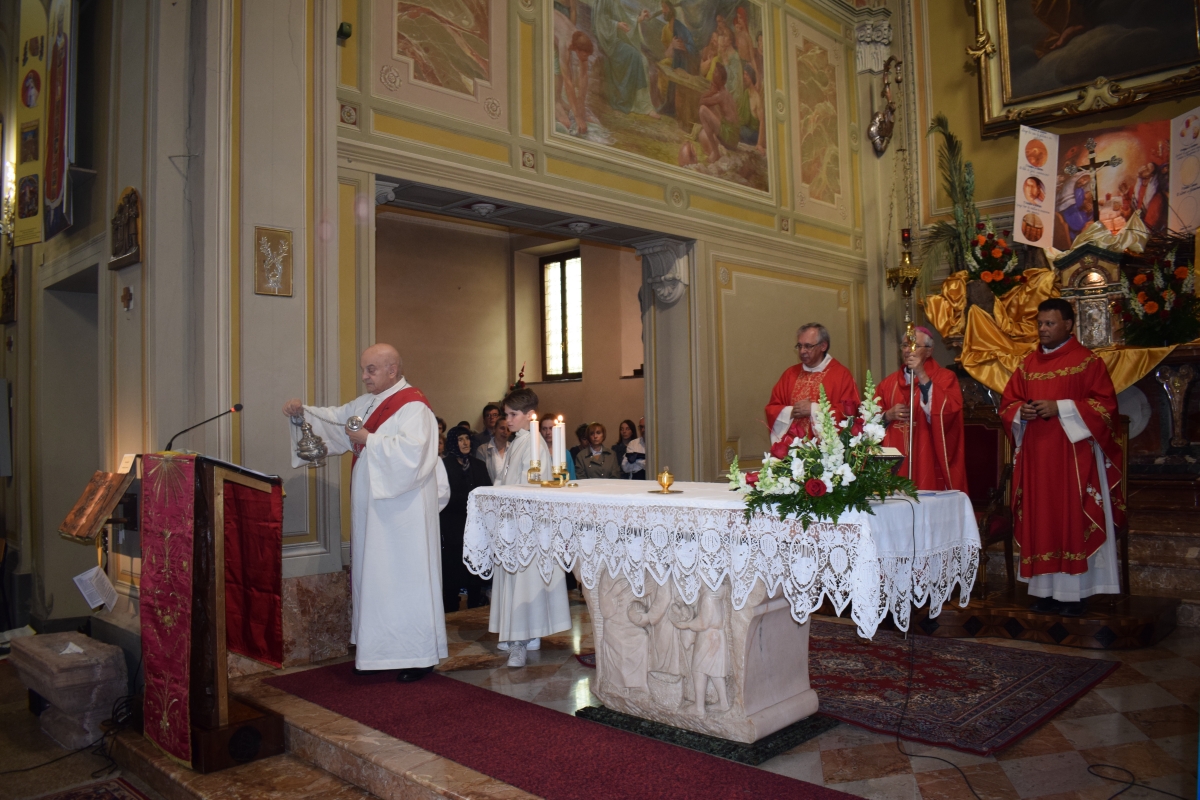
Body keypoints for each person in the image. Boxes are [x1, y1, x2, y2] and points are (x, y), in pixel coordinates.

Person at [282, 344, 449, 682]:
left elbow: (414, 456)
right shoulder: (366, 403)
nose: (364, 376)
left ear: (393, 369)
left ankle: (418, 655)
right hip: (374, 511)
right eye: (363, 369)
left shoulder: (413, 407)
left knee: (405, 580)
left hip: (403, 515)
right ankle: (380, 653)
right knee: (375, 578)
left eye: (371, 370)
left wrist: (368, 439)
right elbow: (333, 421)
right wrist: (302, 415)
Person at [999, 299, 1124, 616]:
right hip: (1037, 459)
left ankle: (1076, 593)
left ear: (1069, 324)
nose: (1043, 329)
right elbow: (1008, 403)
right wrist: (1021, 412)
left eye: (1050, 323)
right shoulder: (1027, 365)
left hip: (1073, 460)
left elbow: (1106, 408)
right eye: (1040, 323)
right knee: (1042, 519)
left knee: (1069, 517)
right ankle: (1043, 591)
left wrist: (1062, 408)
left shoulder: (1087, 362)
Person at [489, 388, 572, 668]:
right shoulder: (518, 442)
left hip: (527, 526)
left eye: (513, 415)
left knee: (525, 582)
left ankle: (520, 641)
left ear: (529, 416)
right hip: (511, 522)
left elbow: (530, 486)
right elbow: (505, 479)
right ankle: (525, 633)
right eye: (506, 414)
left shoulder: (533, 443)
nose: (507, 420)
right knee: (517, 579)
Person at [875, 328, 967, 492]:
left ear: (929, 351)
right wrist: (887, 415)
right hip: (894, 464)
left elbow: (949, 415)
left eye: (915, 346)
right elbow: (867, 424)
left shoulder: (946, 378)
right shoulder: (887, 384)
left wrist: (921, 374)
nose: (908, 350)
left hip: (928, 460)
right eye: (905, 345)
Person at [765, 323, 860, 442]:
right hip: (793, 452)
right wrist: (790, 412)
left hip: (826, 454)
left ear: (823, 346)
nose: (802, 351)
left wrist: (813, 409)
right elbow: (772, 408)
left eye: (808, 346)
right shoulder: (790, 374)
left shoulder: (841, 375)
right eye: (799, 346)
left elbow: (850, 413)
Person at [440, 426, 492, 613]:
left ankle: (474, 604)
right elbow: (443, 495)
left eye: (467, 438)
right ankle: (451, 607)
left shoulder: (478, 465)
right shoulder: (444, 465)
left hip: (476, 525)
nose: (465, 443)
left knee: (474, 565)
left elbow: (487, 491)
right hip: (453, 524)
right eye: (461, 439)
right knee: (452, 567)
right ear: (454, 442)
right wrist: (470, 500)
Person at [540, 414, 576, 480]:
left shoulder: (565, 453)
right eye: (544, 429)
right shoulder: (537, 453)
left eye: (551, 428)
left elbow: (571, 477)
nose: (548, 432)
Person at [476, 418, 510, 482]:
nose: (505, 432)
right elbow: (481, 475)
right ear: (494, 429)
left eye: (508, 429)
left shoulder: (514, 448)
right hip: (490, 490)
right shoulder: (482, 450)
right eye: (502, 428)